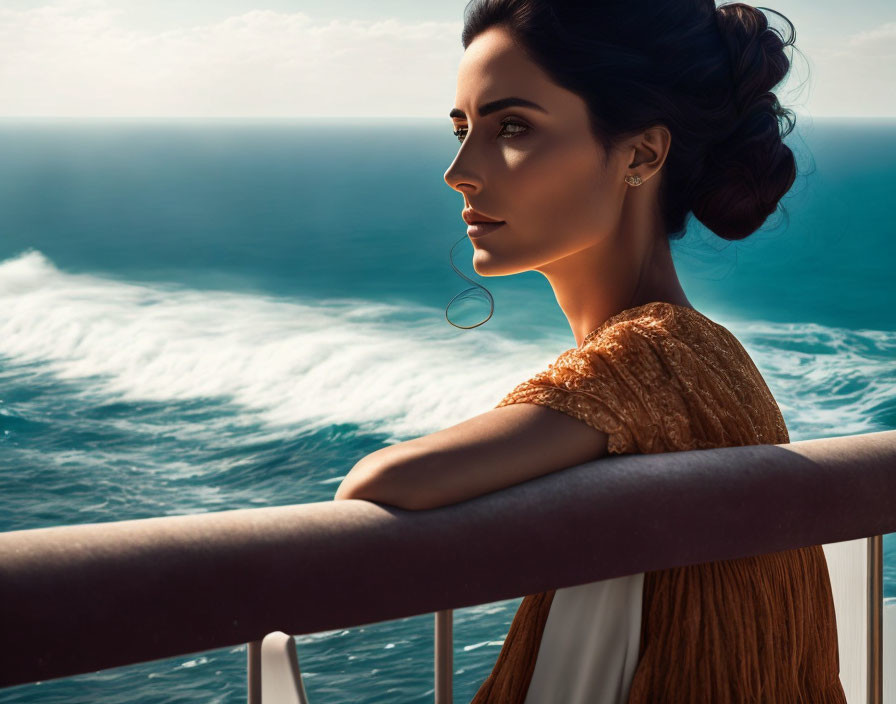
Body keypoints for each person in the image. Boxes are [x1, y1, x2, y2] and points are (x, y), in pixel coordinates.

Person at [338, 0, 847, 701]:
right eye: (462, 129)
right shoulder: (702, 356)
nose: (460, 170)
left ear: (641, 154)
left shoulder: (656, 359)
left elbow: (375, 485)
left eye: (512, 127)